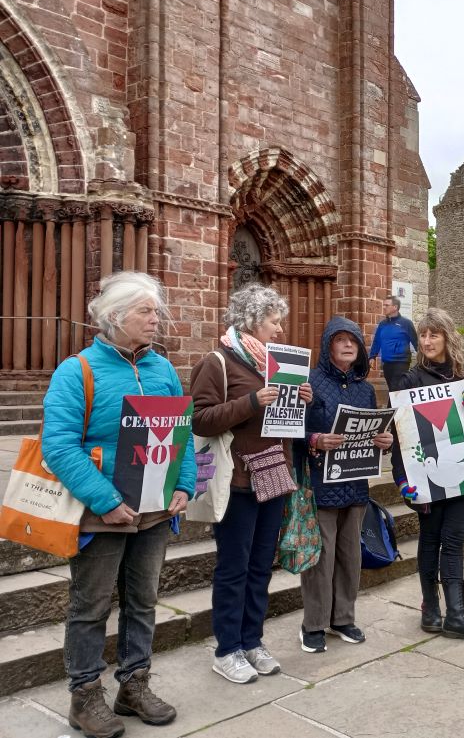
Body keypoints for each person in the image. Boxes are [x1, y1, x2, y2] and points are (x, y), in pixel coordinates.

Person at [42, 271, 196, 736]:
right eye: (145, 311)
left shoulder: (163, 370)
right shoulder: (78, 370)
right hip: (102, 512)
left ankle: (134, 685)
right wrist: (105, 499)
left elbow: (181, 436)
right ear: (114, 317)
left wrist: (184, 485)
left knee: (143, 601)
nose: (156, 320)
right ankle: (85, 696)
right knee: (90, 606)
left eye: (157, 311)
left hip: (154, 509)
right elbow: (60, 446)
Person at [191, 284, 313, 684]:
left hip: (274, 473)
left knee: (261, 566)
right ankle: (227, 649)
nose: (280, 330)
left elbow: (285, 427)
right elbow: (201, 419)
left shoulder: (276, 365)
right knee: (234, 566)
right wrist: (252, 401)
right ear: (253, 321)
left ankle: (252, 641)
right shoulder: (218, 362)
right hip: (238, 478)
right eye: (275, 322)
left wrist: (302, 400)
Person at [390, 308, 464, 644]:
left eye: (434, 334)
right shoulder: (409, 380)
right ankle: (430, 610)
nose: (428, 341)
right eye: (423, 335)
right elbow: (400, 438)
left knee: (453, 542)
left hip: (461, 473)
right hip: (426, 476)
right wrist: (401, 480)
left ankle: (456, 614)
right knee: (430, 541)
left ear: (448, 337)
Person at [297, 318, 393, 654]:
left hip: (355, 484)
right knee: (320, 559)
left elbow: (373, 431)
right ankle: (313, 624)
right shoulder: (309, 382)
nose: (348, 345)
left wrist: (385, 440)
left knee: (350, 557)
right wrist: (316, 439)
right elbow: (292, 431)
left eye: (353, 340)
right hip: (321, 482)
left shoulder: (365, 388)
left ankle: (343, 618)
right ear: (327, 345)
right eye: (340, 339)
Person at [369, 296, 418, 391]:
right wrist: (372, 356)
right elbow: (377, 341)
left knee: (395, 389)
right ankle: (400, 405)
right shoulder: (382, 324)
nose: (384, 307)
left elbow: (415, 342)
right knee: (393, 389)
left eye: (387, 305)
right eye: (384, 305)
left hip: (401, 362)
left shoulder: (406, 323)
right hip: (387, 363)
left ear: (395, 307)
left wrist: (423, 358)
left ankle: (391, 406)